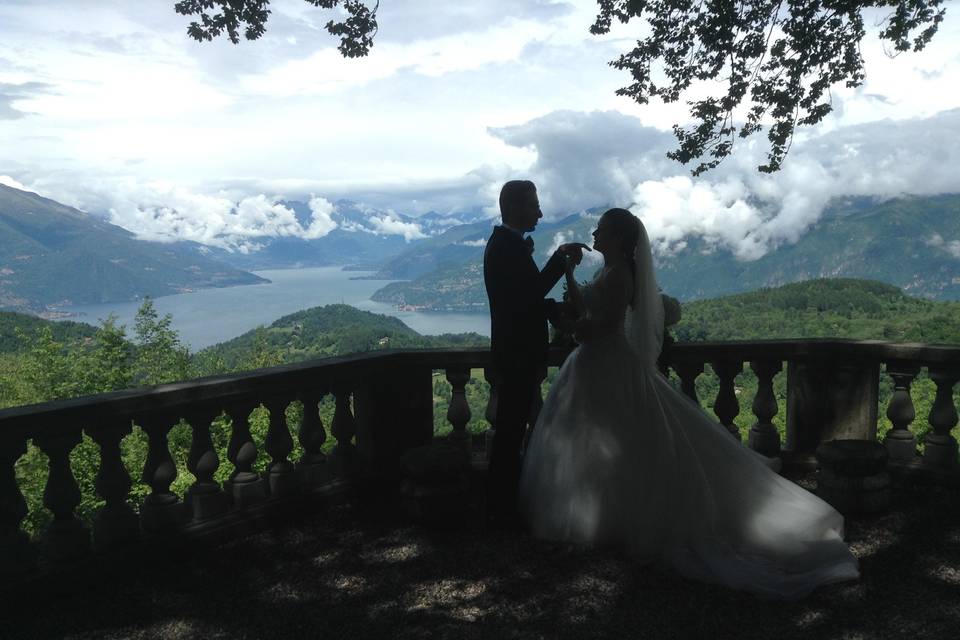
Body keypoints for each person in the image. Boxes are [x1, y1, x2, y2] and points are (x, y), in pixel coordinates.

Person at [517, 208, 860, 599]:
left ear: (617, 238)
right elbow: (589, 309)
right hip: (594, 363)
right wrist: (569, 275)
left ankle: (624, 520)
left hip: (605, 361)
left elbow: (599, 326)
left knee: (625, 442)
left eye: (602, 229)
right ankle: (598, 518)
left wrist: (566, 327)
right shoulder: (607, 272)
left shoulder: (621, 276)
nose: (594, 233)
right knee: (598, 443)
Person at [483, 180, 588, 528]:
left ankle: (505, 504)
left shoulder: (506, 245)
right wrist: (559, 262)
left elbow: (521, 299)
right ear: (515, 208)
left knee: (514, 430)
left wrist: (549, 309)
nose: (540, 212)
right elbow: (524, 298)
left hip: (516, 352)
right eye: (534, 206)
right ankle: (501, 508)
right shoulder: (505, 247)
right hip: (517, 354)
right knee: (511, 432)